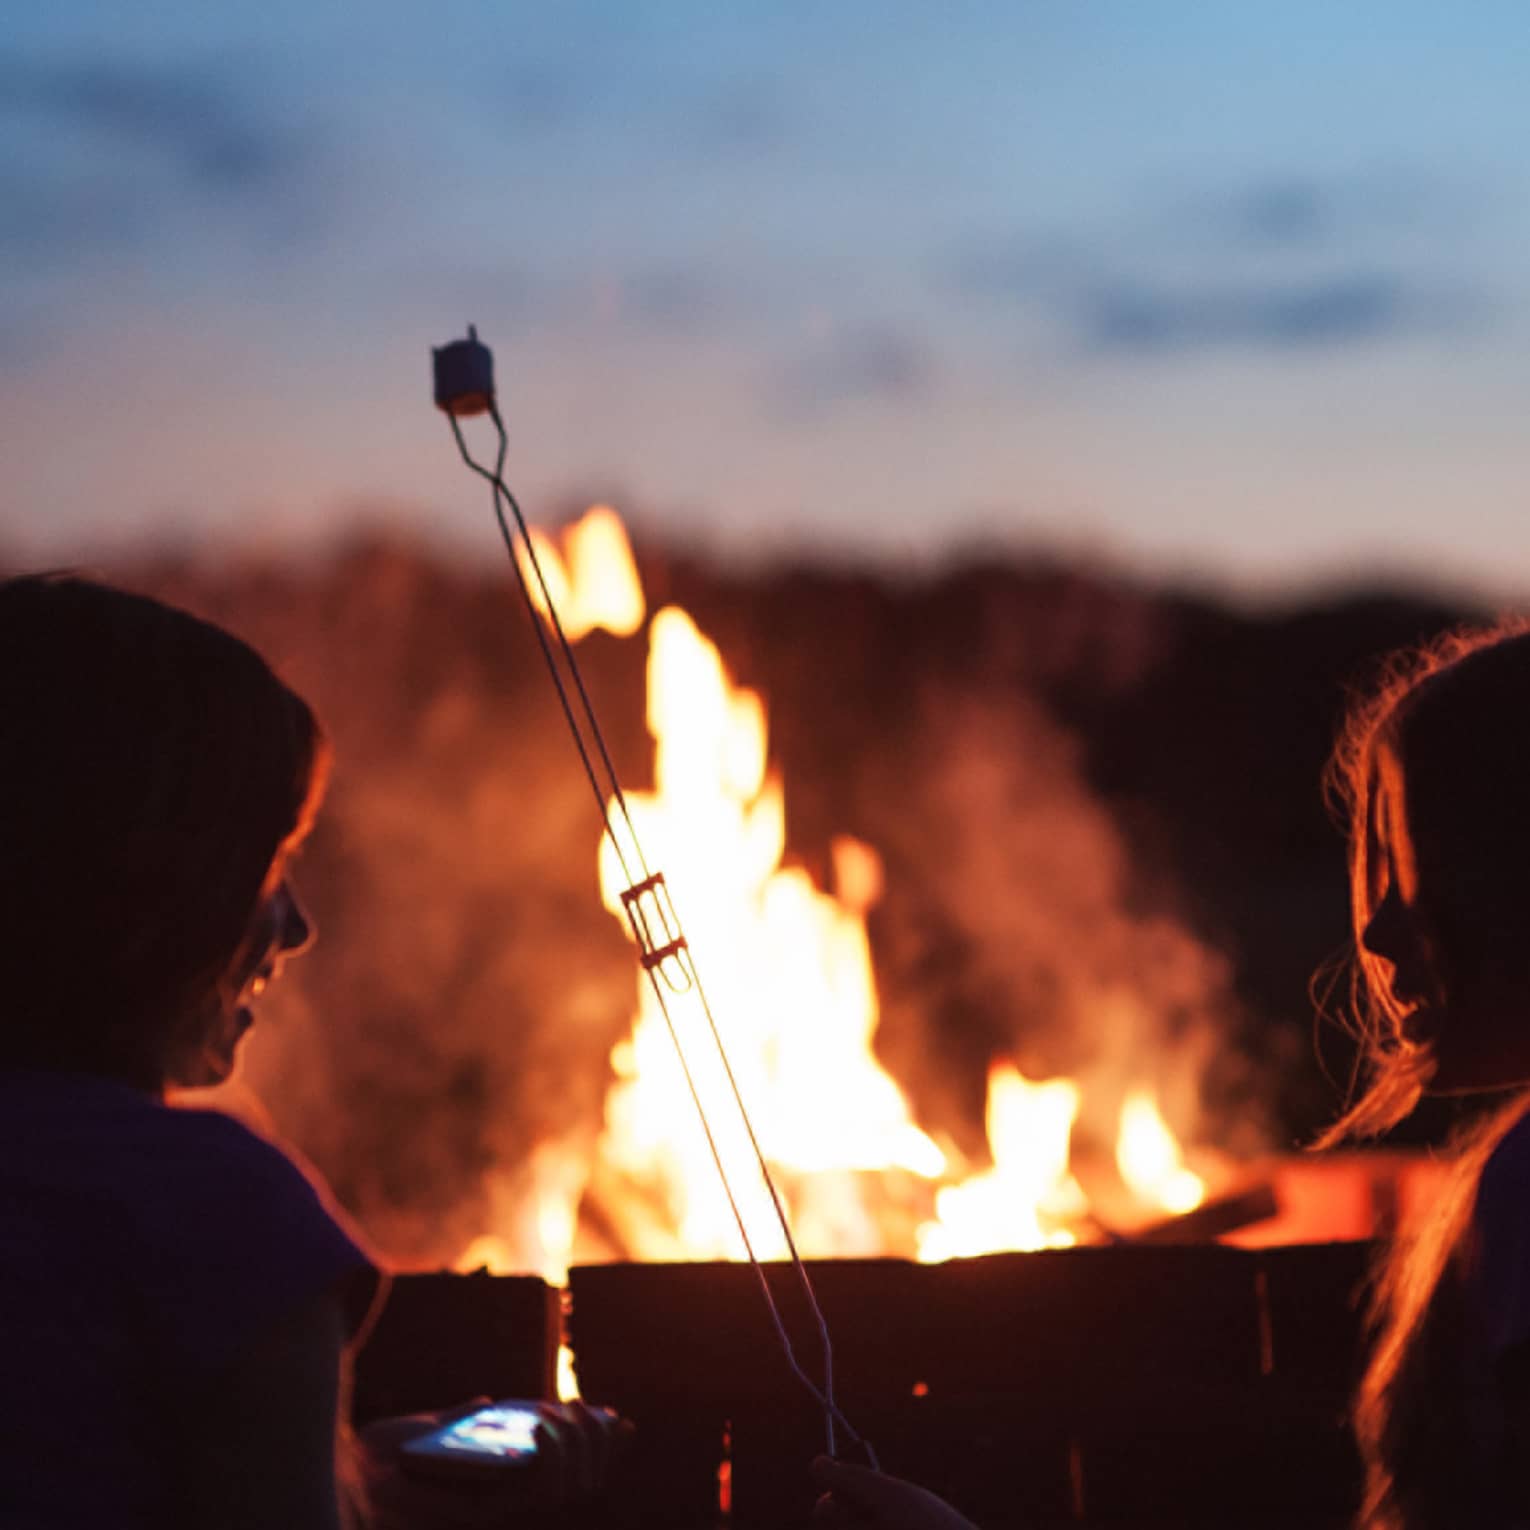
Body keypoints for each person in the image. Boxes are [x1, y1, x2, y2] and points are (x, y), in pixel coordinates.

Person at [0, 574, 612, 1530]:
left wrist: (357, 1479)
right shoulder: (217, 1214)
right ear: (155, 884)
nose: (297, 929)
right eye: (271, 866)